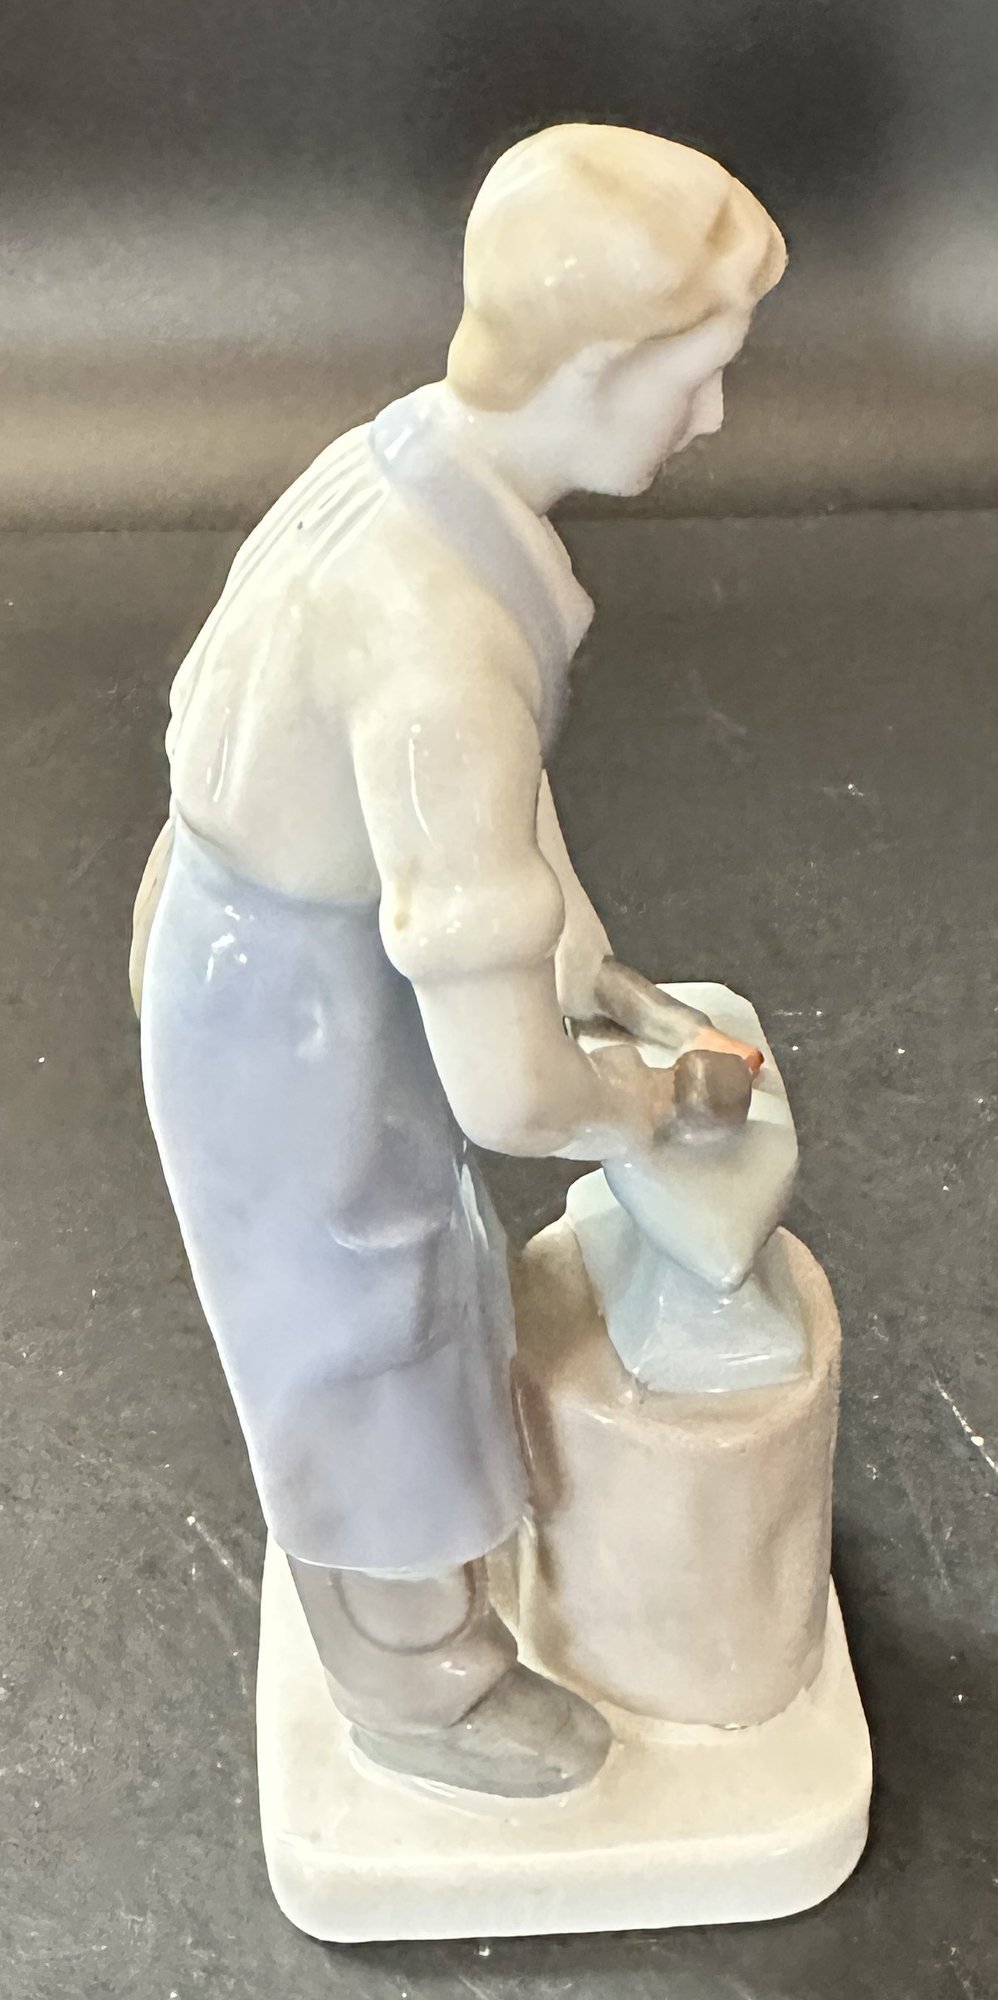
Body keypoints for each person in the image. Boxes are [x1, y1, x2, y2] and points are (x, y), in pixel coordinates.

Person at [133, 124, 786, 1797]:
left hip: (260, 930)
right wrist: (648, 1104)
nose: (715, 415)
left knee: (396, 1310)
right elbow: (506, 1095)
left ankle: (416, 1617)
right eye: (696, 373)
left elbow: (487, 828)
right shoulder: (435, 639)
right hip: (291, 1021)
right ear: (595, 367)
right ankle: (416, 1686)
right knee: (369, 1337)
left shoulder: (408, 467)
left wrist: (587, 968)